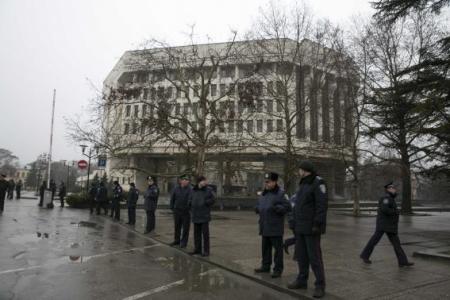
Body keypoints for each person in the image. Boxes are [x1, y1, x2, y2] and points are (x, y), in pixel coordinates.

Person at [287, 161, 328, 299]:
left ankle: (320, 285)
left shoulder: (318, 182)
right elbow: (297, 204)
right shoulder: (303, 183)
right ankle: (302, 280)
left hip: (311, 228)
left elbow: (321, 206)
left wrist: (318, 224)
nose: (298, 172)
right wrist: (293, 222)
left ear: (304, 170)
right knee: (302, 257)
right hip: (300, 227)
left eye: (299, 169)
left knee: (314, 258)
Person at [360, 182, 414, 267]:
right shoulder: (386, 198)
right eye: (392, 188)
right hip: (383, 225)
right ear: (388, 189)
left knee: (397, 244)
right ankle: (365, 256)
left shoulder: (390, 198)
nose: (394, 189)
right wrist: (395, 212)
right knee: (374, 241)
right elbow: (385, 209)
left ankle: (402, 261)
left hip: (390, 226)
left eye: (394, 188)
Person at [254, 172, 291, 278]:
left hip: (275, 226)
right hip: (264, 225)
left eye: (269, 182)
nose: (267, 184)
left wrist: (278, 208)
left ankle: (278, 269)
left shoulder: (281, 193)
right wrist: (257, 208)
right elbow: (259, 204)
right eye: (266, 182)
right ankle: (265, 266)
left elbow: (288, 207)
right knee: (265, 248)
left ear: (275, 182)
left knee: (278, 250)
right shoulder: (264, 194)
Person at [188, 175, 215, 257]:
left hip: (204, 215)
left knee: (205, 234)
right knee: (196, 234)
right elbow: (190, 199)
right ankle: (197, 249)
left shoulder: (209, 190)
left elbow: (213, 199)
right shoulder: (193, 190)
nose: (205, 182)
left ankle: (206, 251)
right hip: (195, 214)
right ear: (199, 182)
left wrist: (206, 202)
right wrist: (190, 205)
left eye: (205, 181)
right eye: (204, 181)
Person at [169, 174, 193, 248]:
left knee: (185, 228)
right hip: (177, 211)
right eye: (184, 179)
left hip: (186, 212)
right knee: (177, 227)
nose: (186, 181)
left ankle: (184, 242)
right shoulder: (176, 188)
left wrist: (189, 209)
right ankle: (177, 240)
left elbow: (190, 200)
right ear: (180, 181)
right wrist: (172, 207)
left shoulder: (190, 189)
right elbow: (172, 198)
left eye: (187, 180)